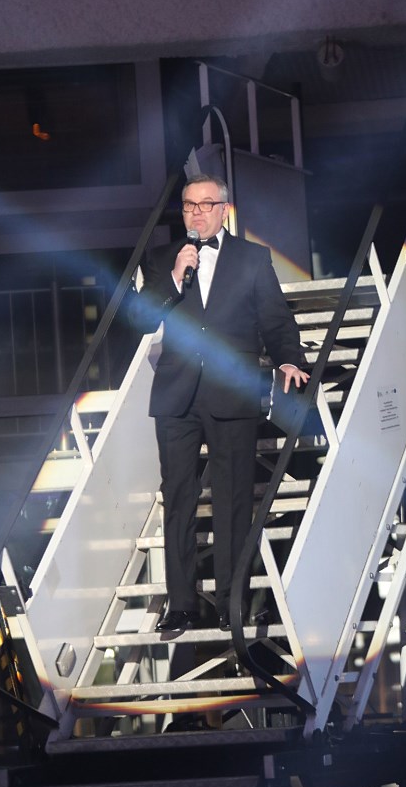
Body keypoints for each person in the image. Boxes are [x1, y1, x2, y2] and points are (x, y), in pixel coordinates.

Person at [131, 173, 309, 633]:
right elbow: (141, 318)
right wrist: (175, 277)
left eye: (205, 204)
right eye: (188, 205)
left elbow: (275, 318)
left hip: (232, 391)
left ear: (224, 210)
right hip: (176, 395)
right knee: (179, 498)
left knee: (233, 498)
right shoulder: (164, 259)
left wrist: (289, 359)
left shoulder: (252, 258)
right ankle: (182, 604)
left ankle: (232, 600)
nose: (196, 213)